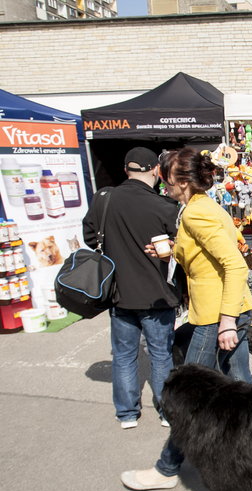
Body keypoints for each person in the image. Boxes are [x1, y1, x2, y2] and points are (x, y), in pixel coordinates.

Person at [120, 147, 252, 491]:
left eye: (166, 178)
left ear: (182, 182)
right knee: (242, 386)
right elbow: (219, 246)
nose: (162, 184)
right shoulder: (203, 207)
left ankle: (166, 469)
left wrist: (224, 322)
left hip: (216, 315)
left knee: (188, 398)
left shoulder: (196, 213)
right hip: (231, 308)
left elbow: (235, 263)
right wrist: (171, 249)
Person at [82, 147, 180, 430]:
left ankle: (126, 413)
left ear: (126, 170)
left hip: (118, 292)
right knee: (161, 354)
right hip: (157, 293)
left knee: (124, 354)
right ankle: (166, 412)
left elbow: (90, 237)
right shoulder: (164, 206)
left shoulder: (104, 199)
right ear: (156, 171)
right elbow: (181, 249)